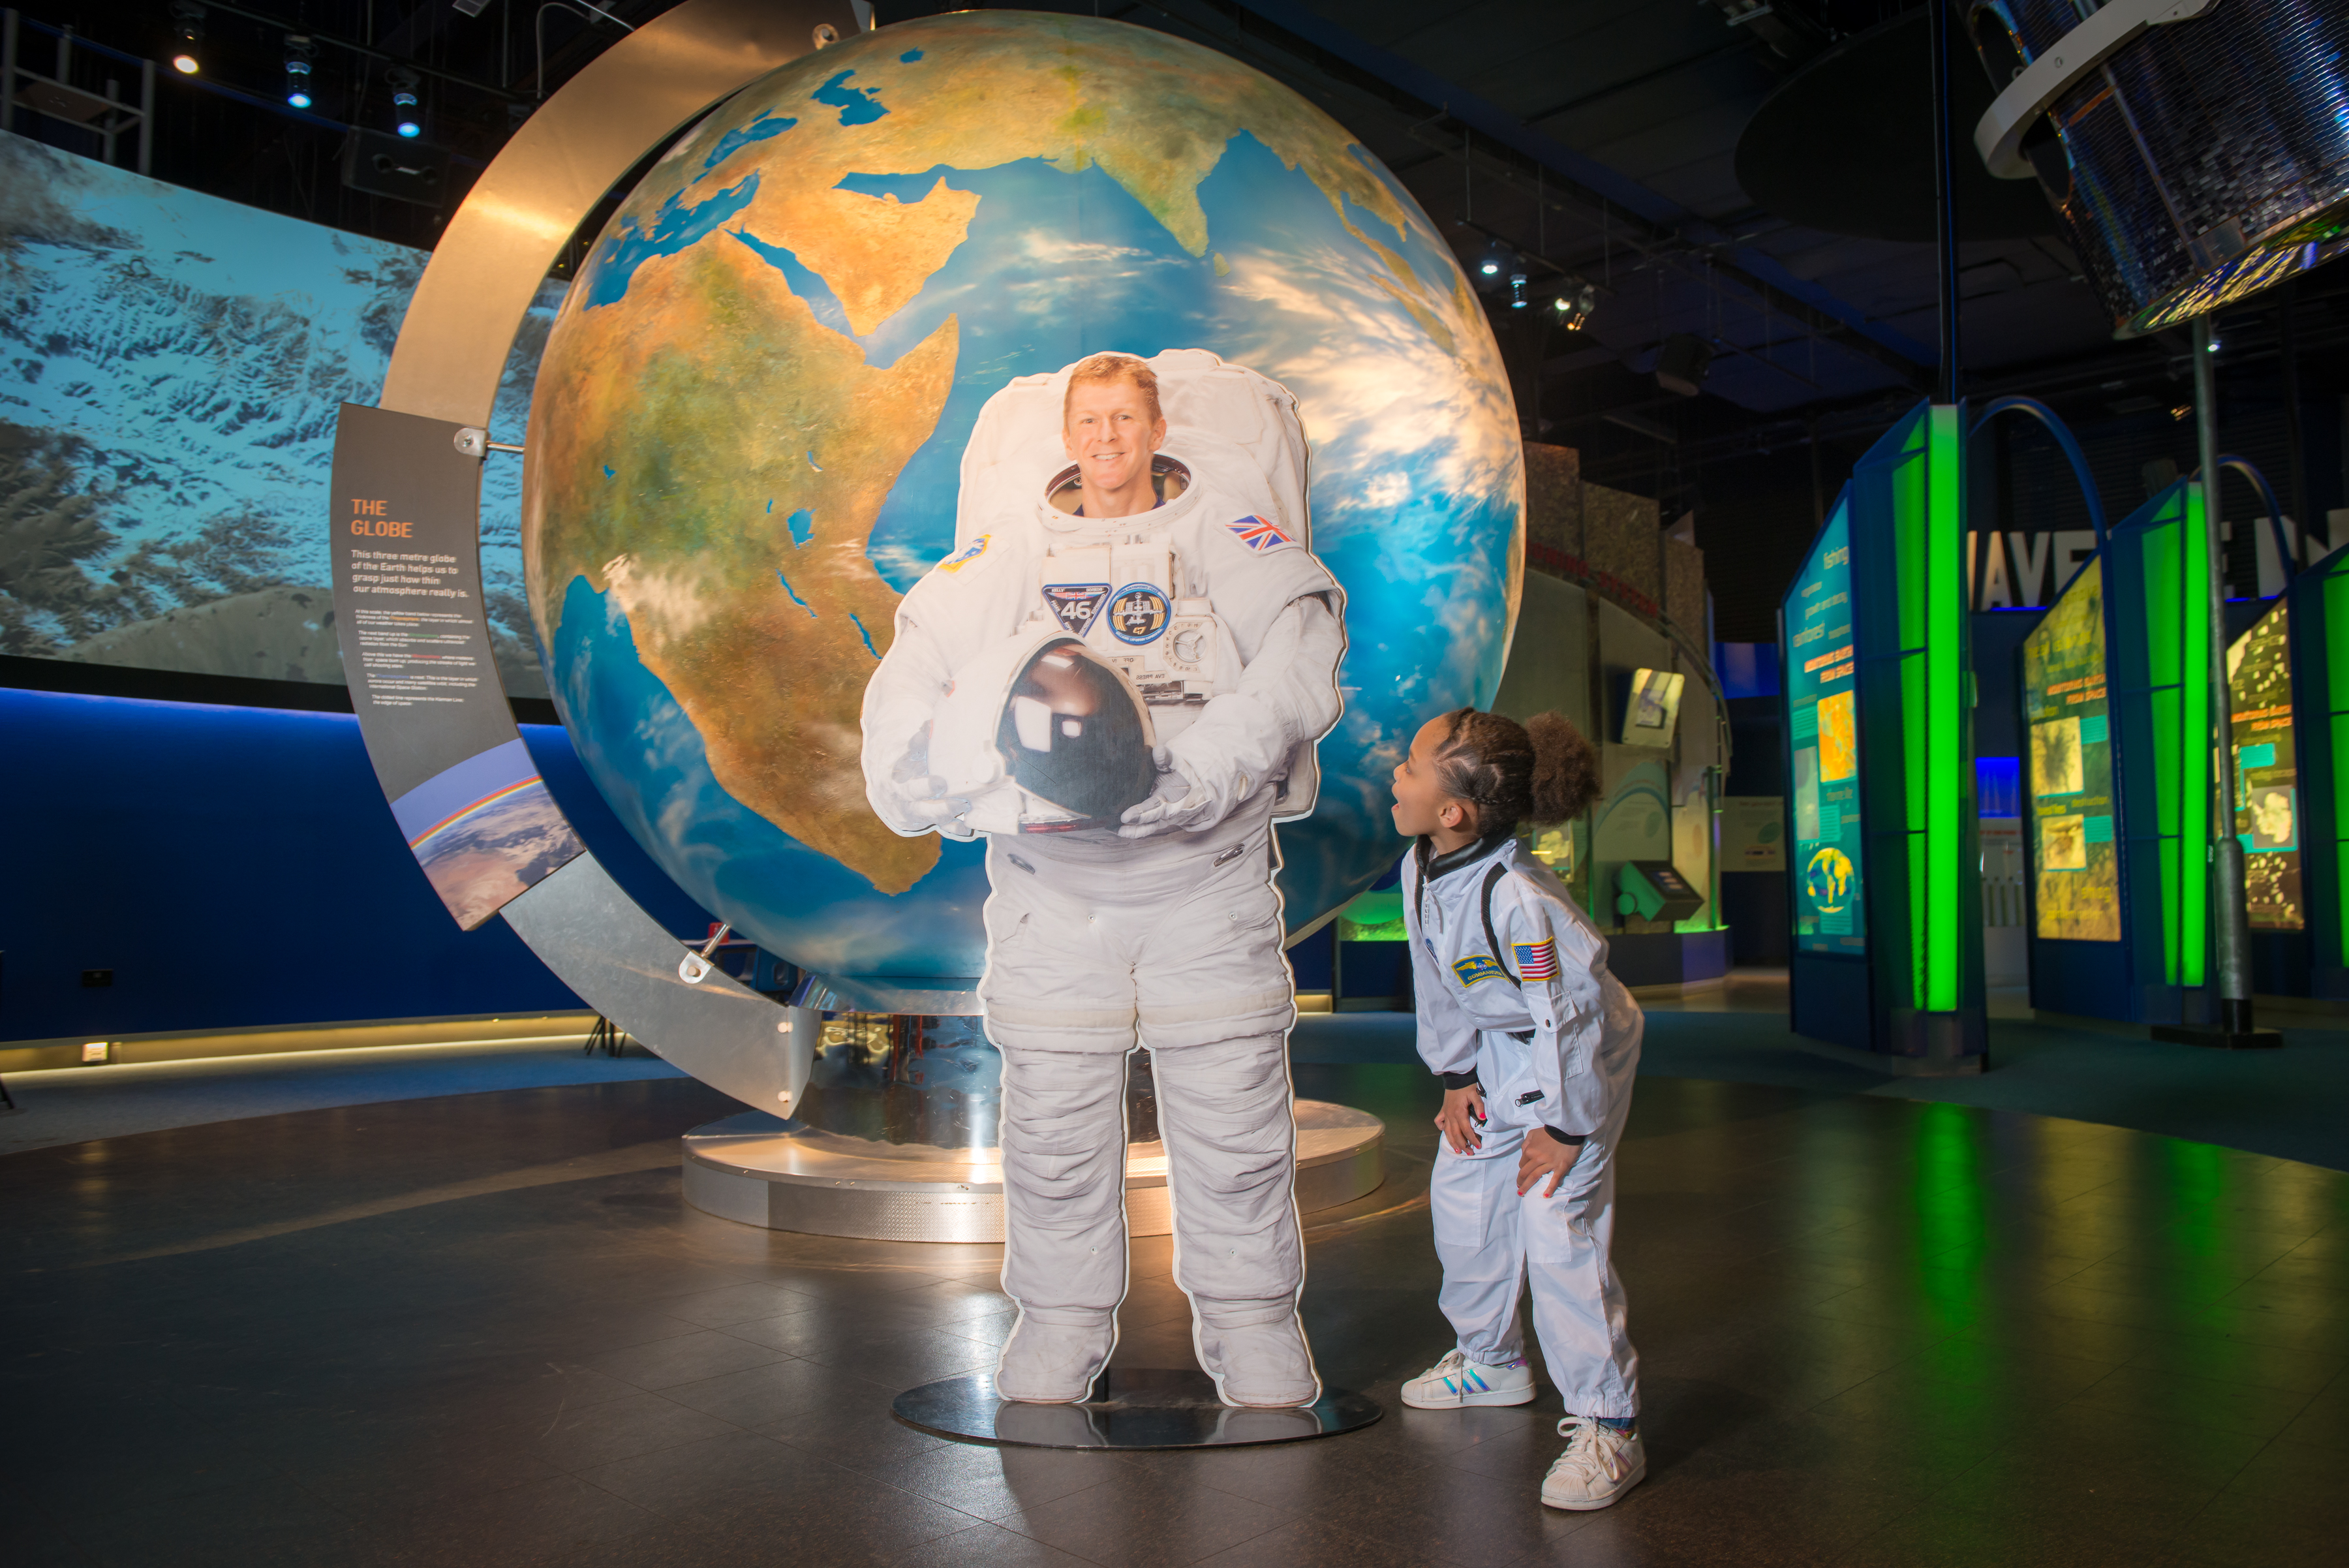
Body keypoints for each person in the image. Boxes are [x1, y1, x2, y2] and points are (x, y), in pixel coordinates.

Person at [861, 352, 1346, 1409]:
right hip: (1054, 888)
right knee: (1052, 1132)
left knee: (1233, 1125)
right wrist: (932, 781)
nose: (1109, 439)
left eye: (1127, 419)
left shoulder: (1224, 532)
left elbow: (1303, 654)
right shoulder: (1011, 550)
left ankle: (1257, 1321)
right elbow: (914, 656)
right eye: (1091, 420)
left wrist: (1202, 768)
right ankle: (1062, 1326)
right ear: (1068, 432)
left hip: (1202, 874)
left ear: (1156, 424)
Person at [1387, 707, 1646, 1510]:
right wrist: (1456, 1074)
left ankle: (1610, 1423)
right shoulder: (1421, 864)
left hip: (1570, 1050)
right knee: (1464, 1195)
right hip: (1498, 1044)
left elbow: (1566, 1013)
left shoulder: (1521, 899)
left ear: (1455, 810)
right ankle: (1490, 1359)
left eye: (1414, 764)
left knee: (1554, 1223)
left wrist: (1565, 1126)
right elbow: (1438, 976)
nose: (1398, 770)